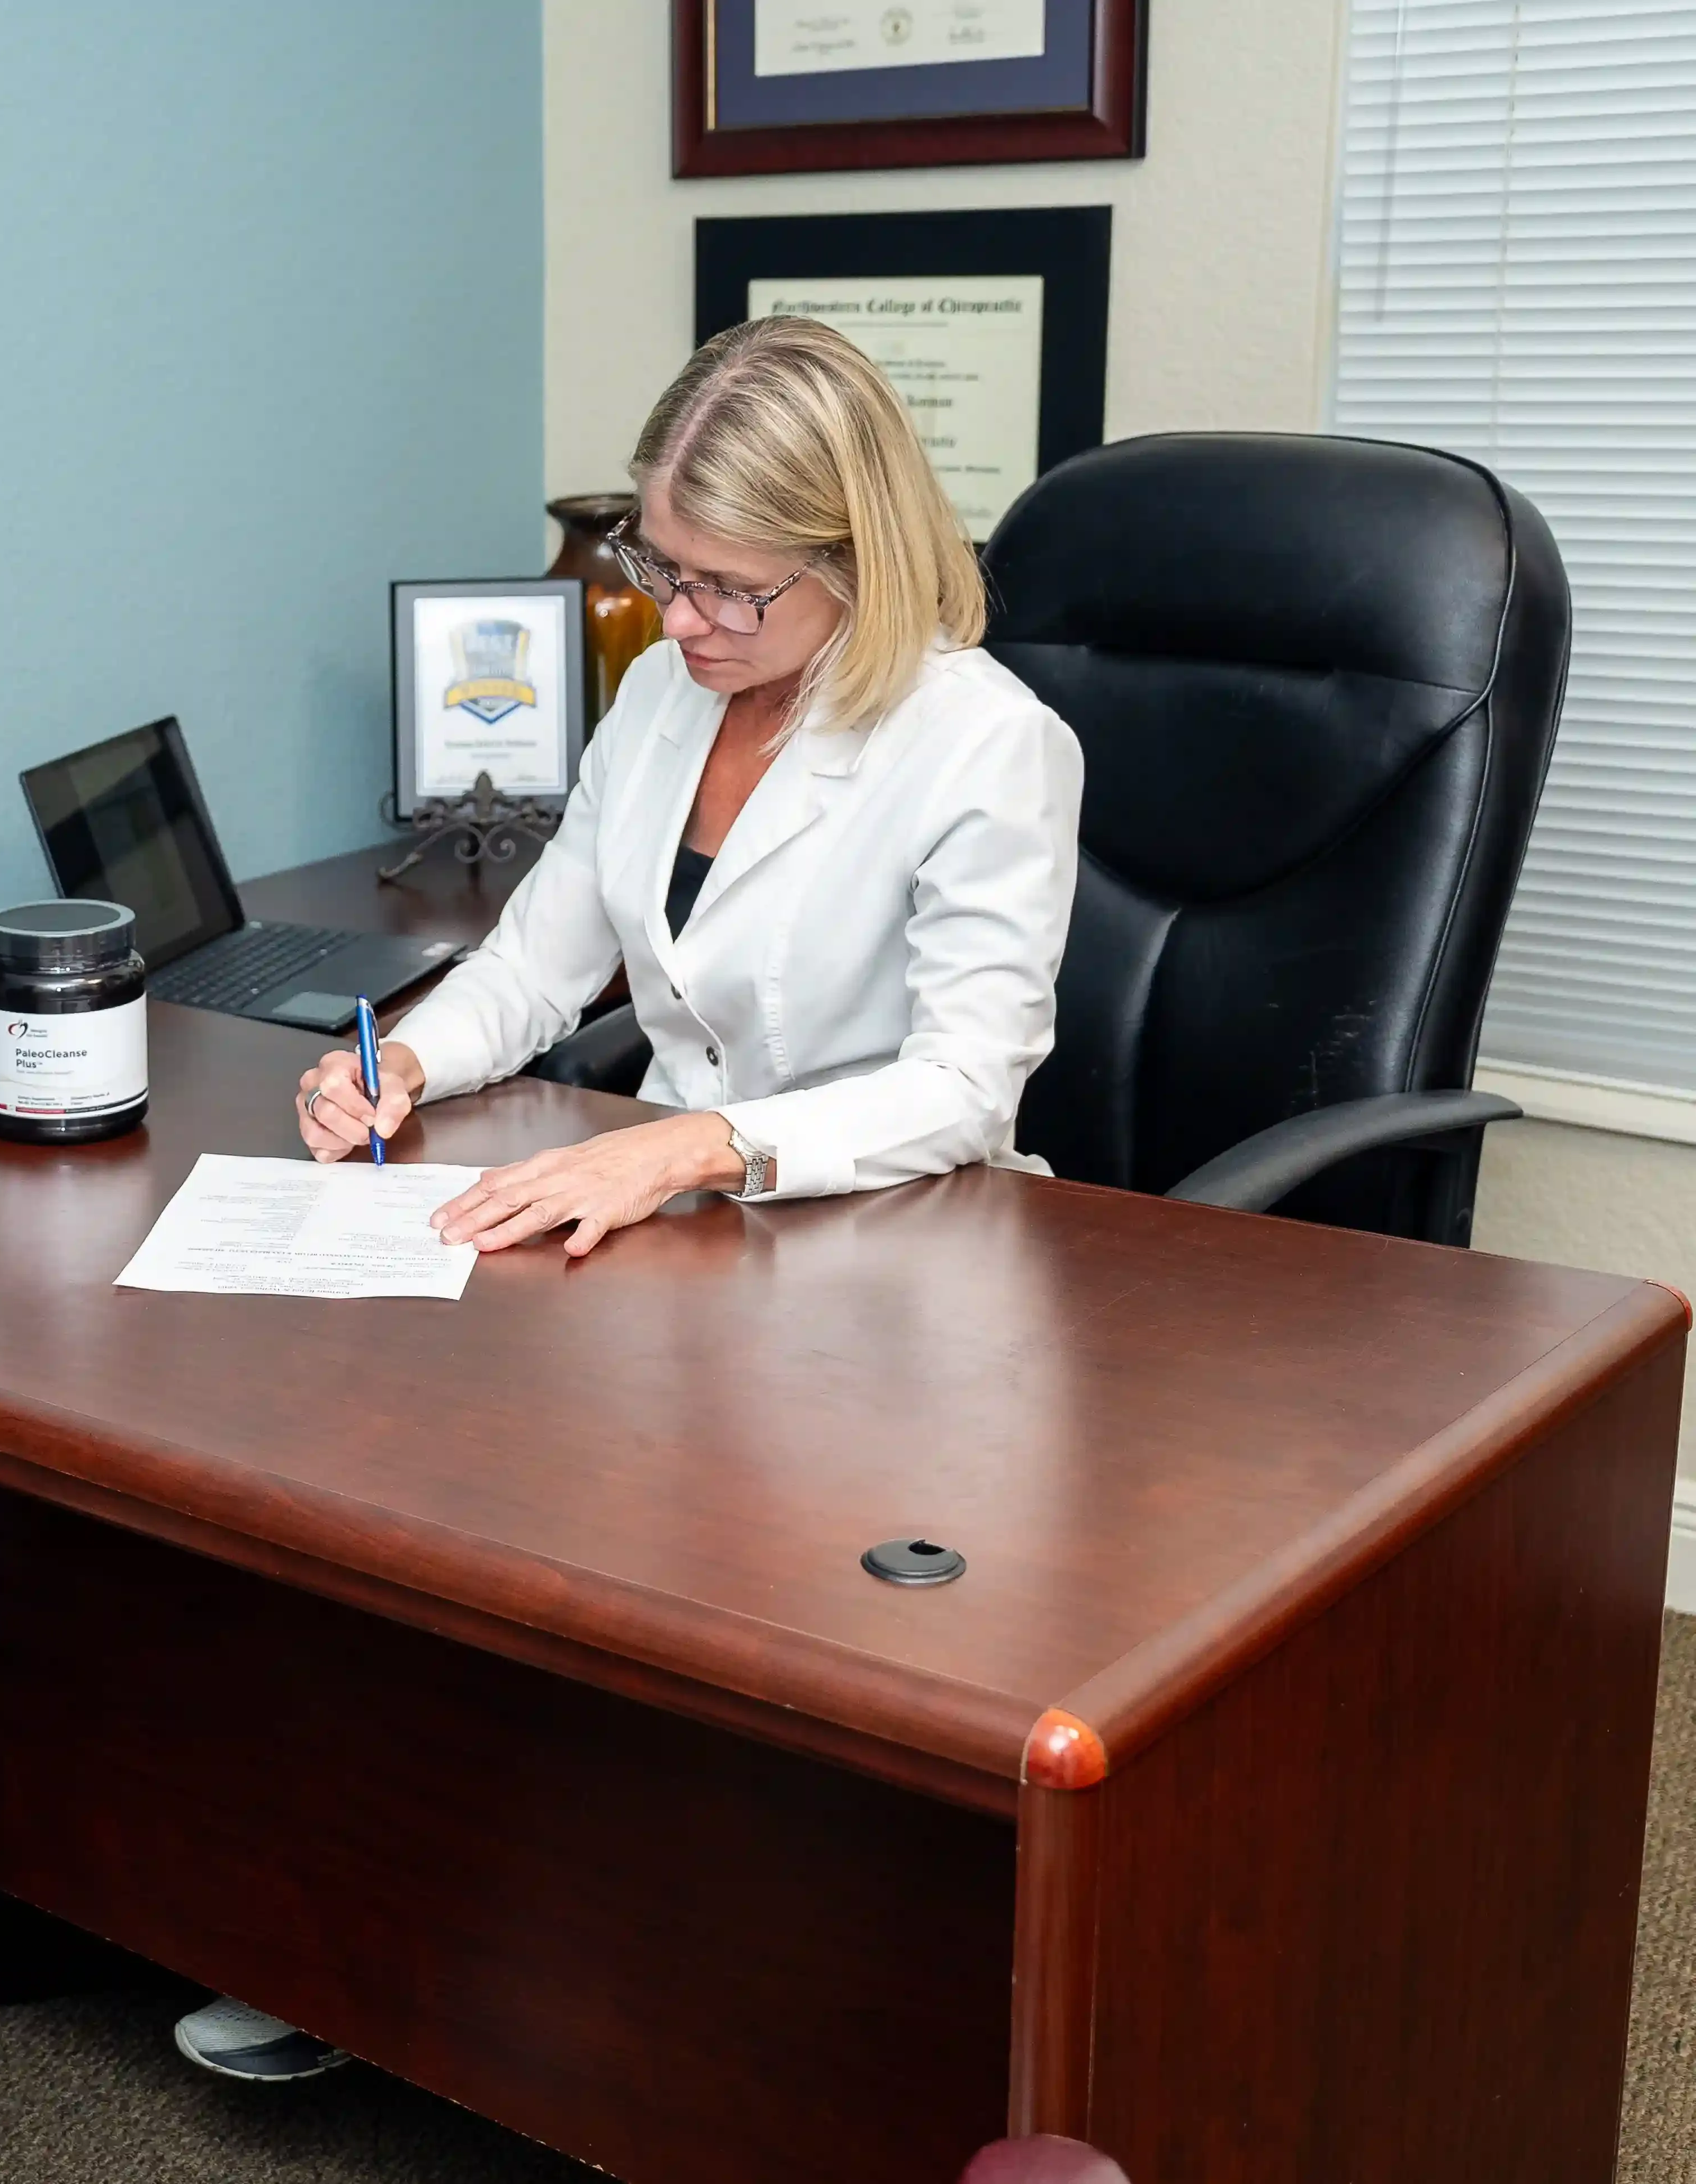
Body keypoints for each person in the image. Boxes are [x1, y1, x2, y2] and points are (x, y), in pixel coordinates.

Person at [184, 316, 1082, 2084]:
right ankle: (376, 1949)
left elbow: (968, 1083)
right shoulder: (672, 692)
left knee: (743, 1656)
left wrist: (696, 1147)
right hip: (663, 1244)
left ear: (855, 563)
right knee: (420, 1522)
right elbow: (543, 953)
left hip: (884, 1263)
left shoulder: (988, 747)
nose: (674, 625)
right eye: (657, 569)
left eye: (726, 590)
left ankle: (737, 2036)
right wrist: (413, 1068)